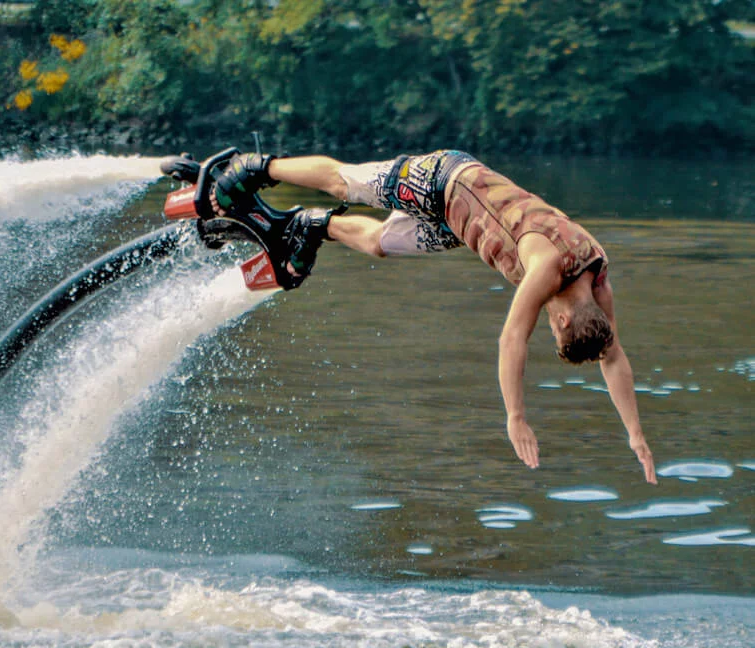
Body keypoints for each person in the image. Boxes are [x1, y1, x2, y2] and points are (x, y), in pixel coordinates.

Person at [210, 150, 657, 484]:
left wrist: (636, 434)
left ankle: (310, 226)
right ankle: (257, 166)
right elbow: (511, 339)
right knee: (345, 184)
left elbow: (613, 357)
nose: (546, 321)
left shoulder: (597, 280)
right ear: (561, 322)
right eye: (551, 329)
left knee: (379, 244)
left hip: (455, 222)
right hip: (444, 180)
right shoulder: (548, 269)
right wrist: (515, 417)